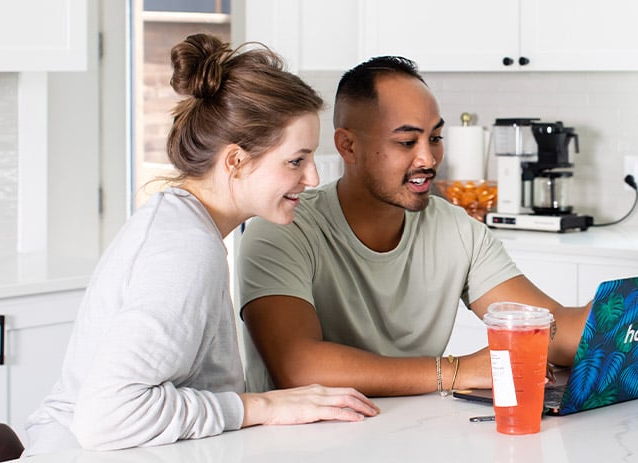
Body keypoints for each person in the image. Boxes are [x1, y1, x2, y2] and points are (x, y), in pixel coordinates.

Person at [23, 34, 378, 456]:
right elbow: (107, 416)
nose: (313, 178)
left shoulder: (182, 224)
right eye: (296, 161)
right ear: (235, 161)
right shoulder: (187, 251)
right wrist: (260, 406)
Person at [237, 55, 591, 396]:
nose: (428, 159)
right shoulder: (281, 230)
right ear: (348, 146)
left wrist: (627, 315)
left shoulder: (456, 229)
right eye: (407, 142)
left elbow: (550, 329)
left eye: (434, 138)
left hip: (416, 434)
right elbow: (298, 366)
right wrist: (458, 370)